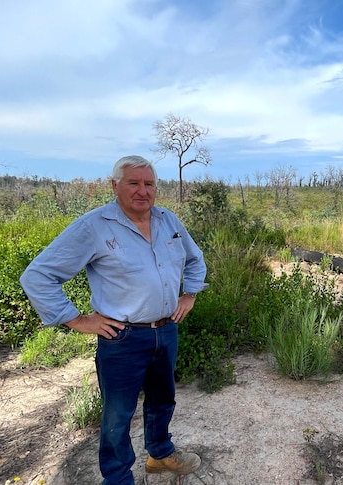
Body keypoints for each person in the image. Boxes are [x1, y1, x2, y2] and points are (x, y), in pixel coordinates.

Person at [20, 155, 207, 485]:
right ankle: (118, 479)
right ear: (114, 186)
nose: (142, 191)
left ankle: (159, 455)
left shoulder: (169, 221)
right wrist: (76, 319)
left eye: (148, 184)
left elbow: (194, 260)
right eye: (133, 183)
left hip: (166, 331)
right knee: (117, 416)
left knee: (163, 399)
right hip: (123, 339)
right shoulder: (93, 227)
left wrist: (189, 295)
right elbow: (38, 275)